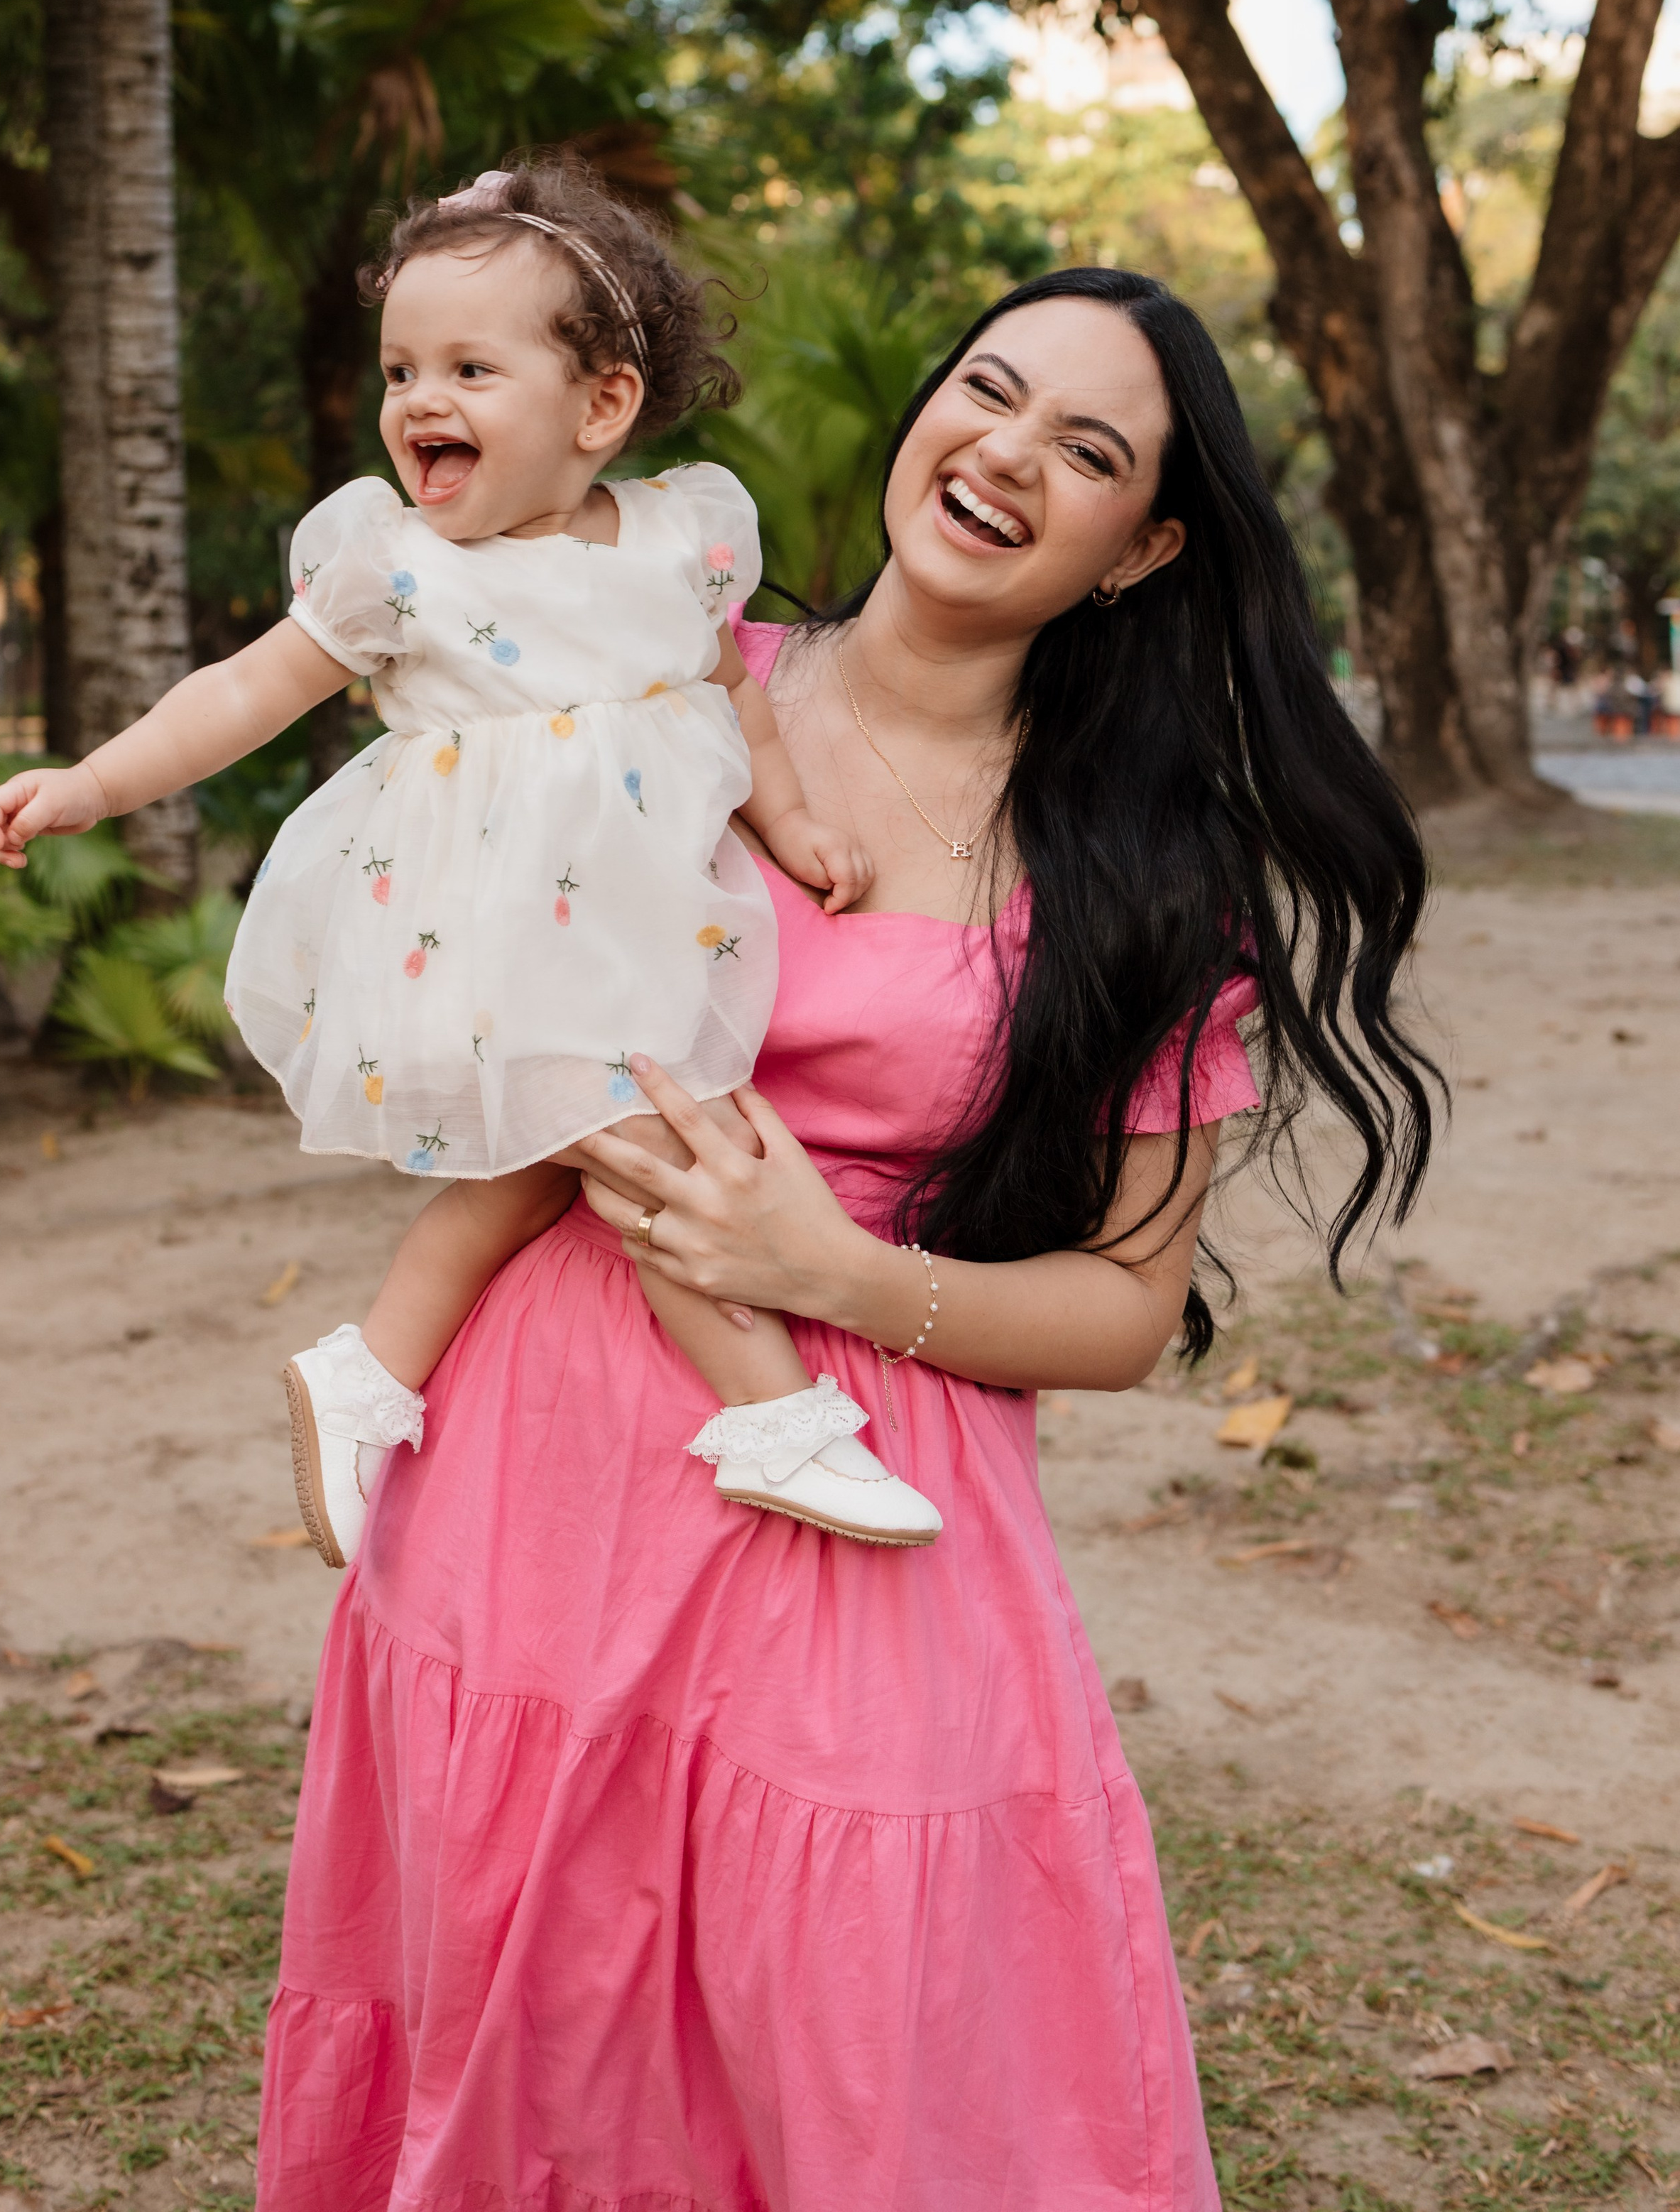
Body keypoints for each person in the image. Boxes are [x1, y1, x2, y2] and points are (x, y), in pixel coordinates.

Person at [251, 263, 1435, 2210]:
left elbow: (1131, 1310)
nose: (1004, 453)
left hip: (858, 1472)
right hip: (538, 1481)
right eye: (988, 390)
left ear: (1140, 546)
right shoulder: (662, 667)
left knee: (877, 2050)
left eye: (1085, 449)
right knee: (535, 2042)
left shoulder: (1147, 871)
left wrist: (838, 1276)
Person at [0, 155, 940, 1554]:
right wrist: (92, 781)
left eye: (470, 371)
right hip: (490, 931)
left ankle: (366, 1374)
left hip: (633, 924)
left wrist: (785, 823)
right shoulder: (402, 569)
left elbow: (728, 695)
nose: (419, 401)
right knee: (664, 1146)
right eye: (400, 369)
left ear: (601, 405)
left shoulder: (675, 542)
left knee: (533, 1169)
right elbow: (243, 692)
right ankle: (768, 1411)